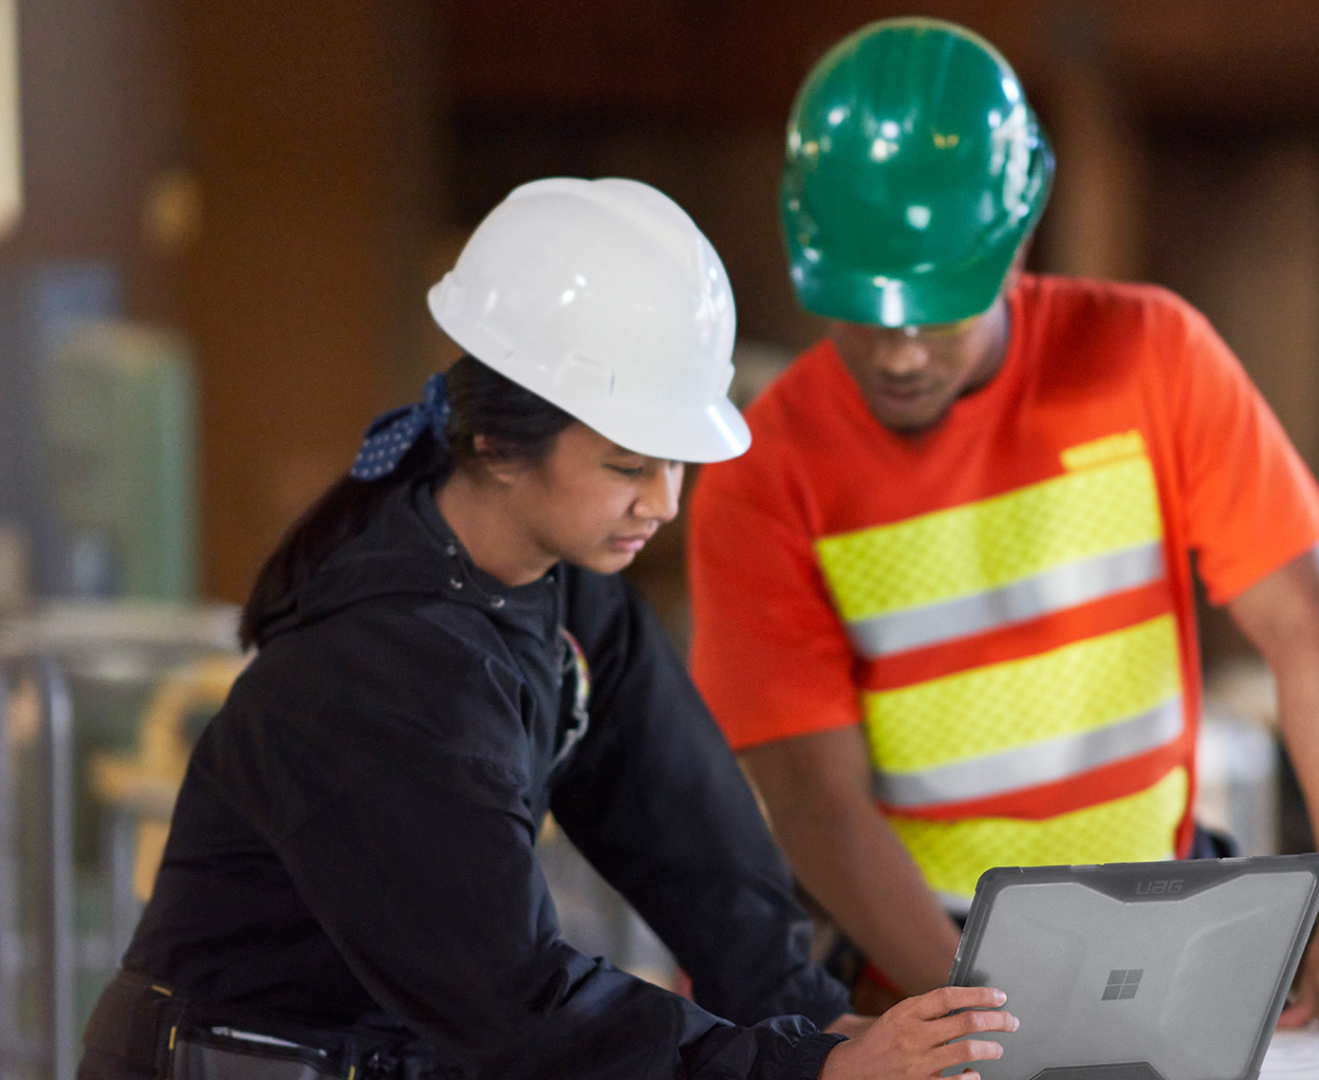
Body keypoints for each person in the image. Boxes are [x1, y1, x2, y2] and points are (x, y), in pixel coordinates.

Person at [77, 178, 1018, 1080]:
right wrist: (795, 1068)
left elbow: (690, 838)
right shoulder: (381, 668)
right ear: (495, 442)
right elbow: (516, 1006)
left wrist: (812, 1019)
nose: (662, 502)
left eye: (676, 464)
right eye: (626, 465)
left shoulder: (571, 592)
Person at [687, 18, 1319, 1029]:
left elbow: (1307, 626)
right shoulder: (760, 471)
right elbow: (814, 800)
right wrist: (979, 1013)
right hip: (917, 957)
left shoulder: (1154, 356)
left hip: (1163, 929)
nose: (898, 355)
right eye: (863, 312)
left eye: (935, 310)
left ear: (1017, 236)